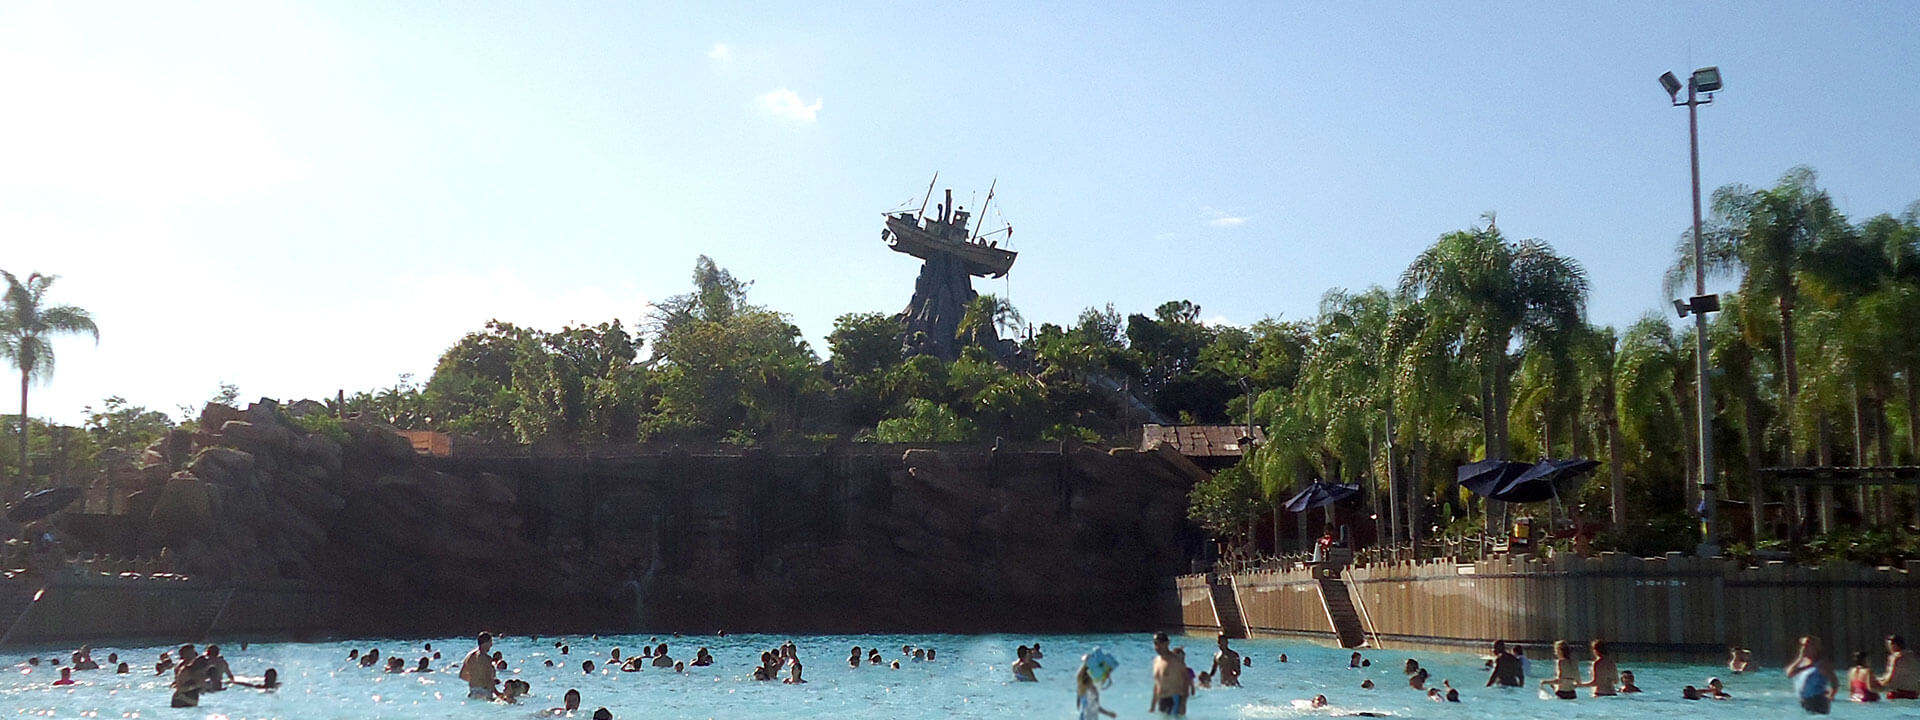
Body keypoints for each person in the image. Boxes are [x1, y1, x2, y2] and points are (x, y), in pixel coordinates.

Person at [1789, 635, 1839, 714]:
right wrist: (1800, 658)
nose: (1804, 648)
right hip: (1804, 700)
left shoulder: (1822, 664)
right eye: (1802, 645)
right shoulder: (1802, 662)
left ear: (1815, 647)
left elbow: (1834, 681)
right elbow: (1790, 673)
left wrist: (1830, 696)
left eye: (1807, 645)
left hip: (1817, 700)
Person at [1149, 632, 1190, 715]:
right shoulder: (1156, 661)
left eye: (1160, 644)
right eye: (1155, 644)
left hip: (1174, 699)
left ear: (1167, 643)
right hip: (1162, 700)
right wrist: (1153, 705)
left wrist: (1183, 703)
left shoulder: (1175, 660)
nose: (1157, 647)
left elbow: (1186, 680)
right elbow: (1157, 684)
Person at [459, 632, 500, 700]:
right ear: (485, 643)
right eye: (490, 642)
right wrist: (498, 694)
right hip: (485, 693)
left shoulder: (469, 656)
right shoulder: (487, 659)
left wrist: (476, 680)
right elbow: (488, 680)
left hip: (473, 692)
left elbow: (462, 675)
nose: (491, 645)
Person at [1879, 634, 1918, 699]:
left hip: (1897, 694)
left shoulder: (1894, 657)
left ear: (1894, 645)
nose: (1888, 648)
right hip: (1913, 694)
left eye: (1889, 646)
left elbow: (1889, 679)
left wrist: (1875, 683)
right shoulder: (1914, 656)